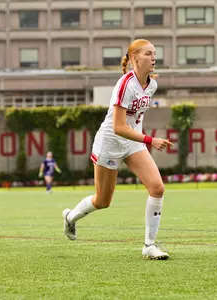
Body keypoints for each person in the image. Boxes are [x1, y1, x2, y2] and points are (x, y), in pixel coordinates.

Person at [61, 39, 174, 260]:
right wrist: (150, 140)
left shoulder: (152, 85)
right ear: (134, 58)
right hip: (110, 144)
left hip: (132, 143)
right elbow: (119, 127)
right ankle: (70, 217)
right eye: (148, 54)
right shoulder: (124, 84)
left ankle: (149, 246)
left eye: (154, 54)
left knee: (157, 188)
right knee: (103, 201)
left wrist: (143, 141)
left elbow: (133, 122)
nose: (154, 58)